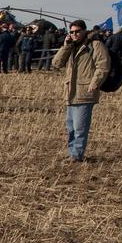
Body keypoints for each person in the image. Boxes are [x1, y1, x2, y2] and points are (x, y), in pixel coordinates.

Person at [51, 19, 109, 163]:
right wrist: (66, 46)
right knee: (70, 127)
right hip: (70, 92)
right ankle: (73, 153)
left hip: (85, 91)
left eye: (77, 31)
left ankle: (77, 155)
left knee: (80, 127)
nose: (75, 34)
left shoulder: (95, 45)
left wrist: (95, 83)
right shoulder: (71, 46)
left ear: (84, 31)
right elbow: (56, 63)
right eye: (72, 32)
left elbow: (103, 66)